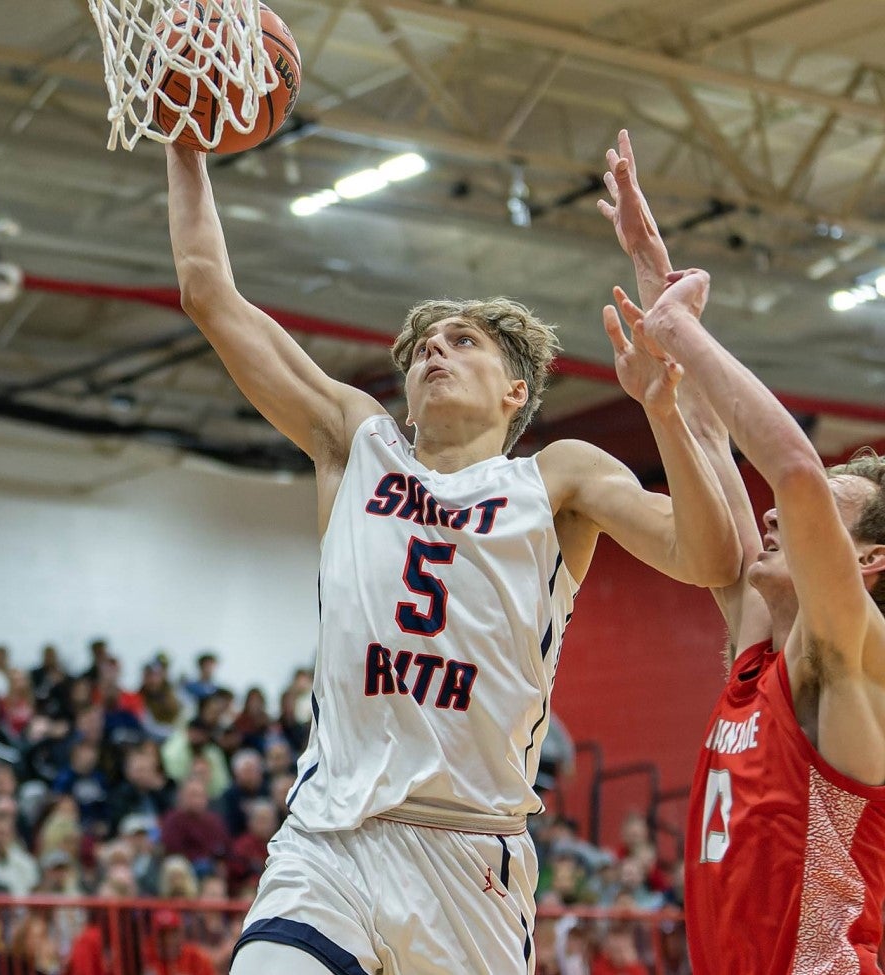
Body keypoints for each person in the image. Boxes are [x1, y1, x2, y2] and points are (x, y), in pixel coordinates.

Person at [165, 141, 740, 975]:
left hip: (471, 856)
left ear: (517, 392)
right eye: (424, 345)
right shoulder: (355, 442)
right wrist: (187, 143)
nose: (434, 349)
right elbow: (206, 291)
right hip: (332, 840)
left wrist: (662, 404)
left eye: (462, 340)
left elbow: (711, 553)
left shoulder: (559, 477)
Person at [599, 130, 885, 974]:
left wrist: (682, 328)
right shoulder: (764, 650)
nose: (773, 518)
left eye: (823, 518)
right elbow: (717, 443)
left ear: (867, 562)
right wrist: (657, 279)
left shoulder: (853, 654)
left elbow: (791, 468)